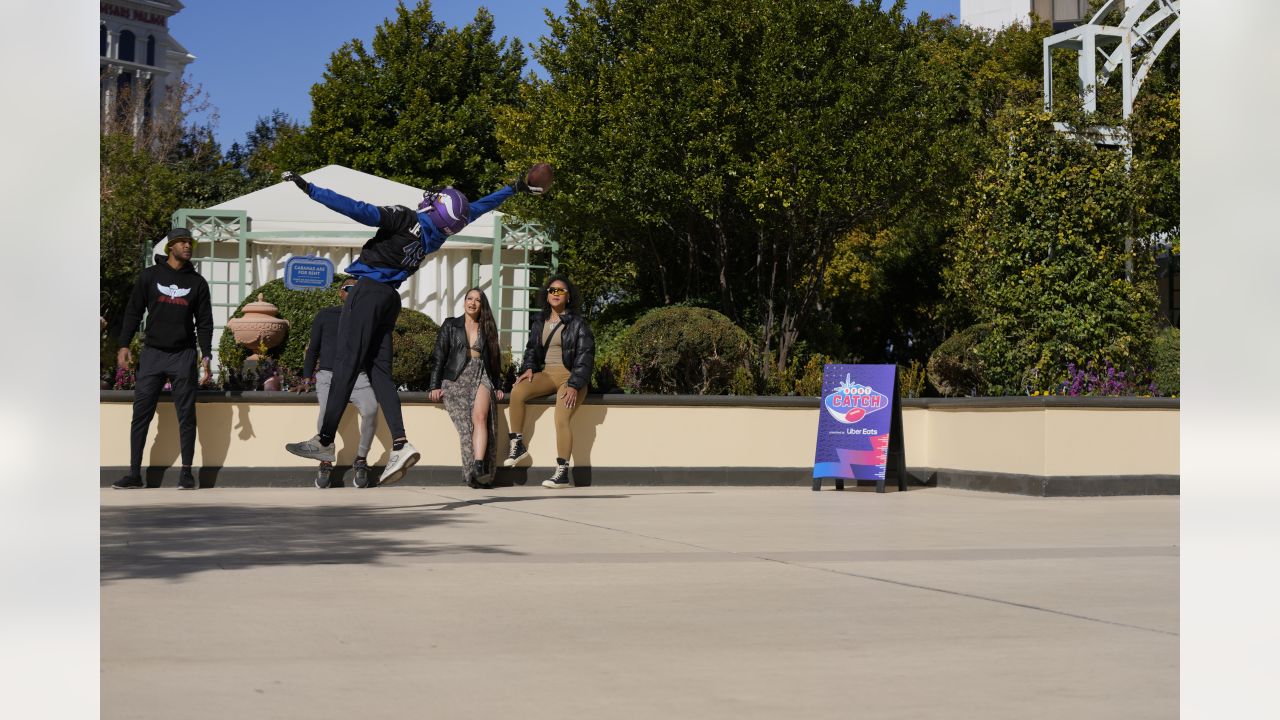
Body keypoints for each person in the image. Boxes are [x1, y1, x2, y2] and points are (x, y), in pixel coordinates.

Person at [281, 165, 551, 485]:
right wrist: (514, 187)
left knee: (345, 365)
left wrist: (310, 188)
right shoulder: (436, 235)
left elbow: (358, 209)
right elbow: (475, 210)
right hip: (390, 301)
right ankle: (399, 443)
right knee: (380, 374)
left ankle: (325, 441)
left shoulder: (406, 218)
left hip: (367, 294)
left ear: (435, 208)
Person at [112, 228, 214, 490]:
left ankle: (187, 474)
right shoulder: (150, 276)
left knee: (186, 415)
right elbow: (134, 311)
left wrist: (206, 355)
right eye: (182, 242)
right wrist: (124, 344)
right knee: (141, 415)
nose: (187, 246)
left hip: (183, 355)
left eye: (189, 242)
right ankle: (134, 474)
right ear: (171, 247)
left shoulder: (198, 283)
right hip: (153, 354)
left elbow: (204, 323)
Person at [504, 276, 595, 489]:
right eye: (552, 290)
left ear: (568, 296)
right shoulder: (539, 321)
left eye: (560, 291)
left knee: (561, 417)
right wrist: (528, 368)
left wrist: (574, 385)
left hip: (570, 378)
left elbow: (585, 356)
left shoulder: (578, 324)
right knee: (518, 391)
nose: (555, 293)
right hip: (546, 374)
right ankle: (517, 445)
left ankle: (562, 473)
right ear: (546, 294)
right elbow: (532, 349)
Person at [299, 278, 379, 489]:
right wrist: (307, 377)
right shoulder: (326, 315)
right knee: (326, 413)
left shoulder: (366, 318)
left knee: (371, 410)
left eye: (357, 289)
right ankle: (325, 461)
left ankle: (361, 460)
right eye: (348, 288)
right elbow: (313, 348)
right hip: (328, 375)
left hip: (357, 376)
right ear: (340, 293)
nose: (353, 292)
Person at [429, 288, 506, 489]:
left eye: (477, 300)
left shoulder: (488, 327)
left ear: (482, 305)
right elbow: (439, 356)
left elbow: (495, 358)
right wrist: (434, 385)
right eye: (469, 299)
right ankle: (471, 473)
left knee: (480, 418)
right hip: (456, 378)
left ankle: (479, 468)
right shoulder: (450, 325)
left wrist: (497, 385)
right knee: (466, 429)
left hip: (482, 374)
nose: (472, 303)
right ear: (464, 302)